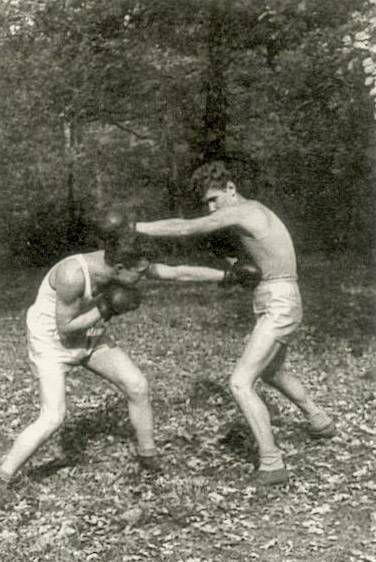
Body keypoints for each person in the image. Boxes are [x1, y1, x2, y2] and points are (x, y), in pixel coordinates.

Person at [134, 161, 335, 486]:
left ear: (231, 189)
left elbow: (187, 228)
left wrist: (136, 227)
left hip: (279, 299)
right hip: (274, 296)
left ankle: (272, 464)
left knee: (240, 382)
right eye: (208, 204)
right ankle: (320, 420)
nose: (212, 208)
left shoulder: (245, 210)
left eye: (215, 199)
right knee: (272, 371)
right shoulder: (249, 217)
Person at [0, 209, 160, 503]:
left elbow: (173, 272)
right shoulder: (73, 274)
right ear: (121, 266)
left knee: (137, 385)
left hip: (88, 335)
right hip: (52, 341)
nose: (140, 279)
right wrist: (105, 309)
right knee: (53, 417)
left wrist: (227, 275)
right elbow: (65, 328)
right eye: (138, 273)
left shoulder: (120, 260)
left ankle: (148, 457)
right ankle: (3, 476)